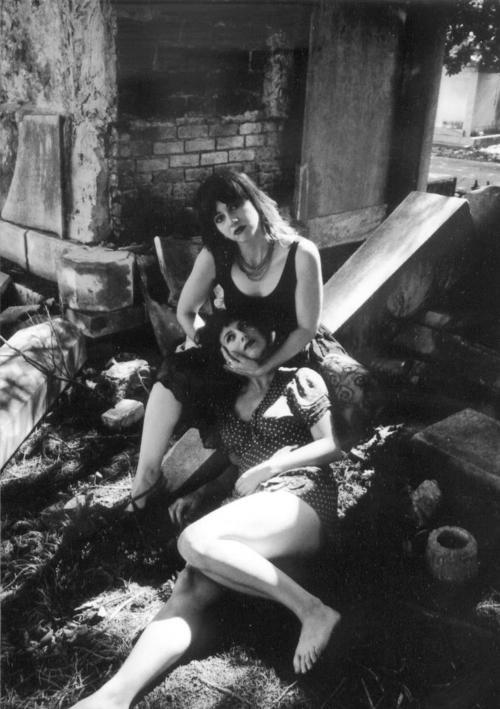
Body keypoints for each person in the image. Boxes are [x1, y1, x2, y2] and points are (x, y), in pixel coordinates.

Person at [70, 312, 344, 709]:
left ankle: (313, 611)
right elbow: (237, 460)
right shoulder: (231, 400)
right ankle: (113, 697)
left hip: (300, 494)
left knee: (194, 541)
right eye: (229, 337)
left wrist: (272, 467)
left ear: (271, 340)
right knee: (189, 585)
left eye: (247, 335)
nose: (237, 343)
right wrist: (203, 493)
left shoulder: (298, 380)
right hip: (254, 505)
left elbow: (335, 444)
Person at [128, 169, 371, 512]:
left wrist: (263, 366)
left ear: (254, 201)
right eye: (219, 218)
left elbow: (305, 328)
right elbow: (186, 311)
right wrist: (211, 346)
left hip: (289, 353)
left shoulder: (301, 253)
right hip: (239, 353)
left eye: (234, 206)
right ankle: (145, 479)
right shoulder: (216, 254)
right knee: (175, 371)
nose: (231, 221)